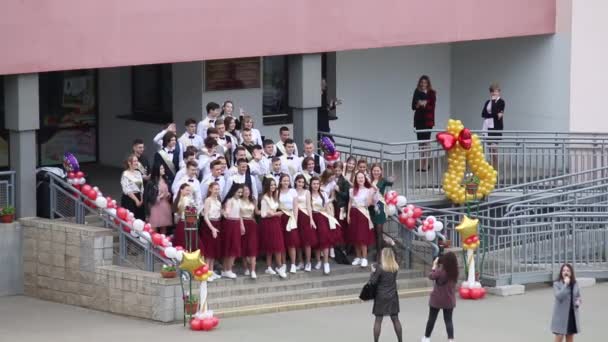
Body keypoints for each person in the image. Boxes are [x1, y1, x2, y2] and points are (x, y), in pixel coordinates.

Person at [422, 252, 459, 342]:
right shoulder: (455, 272)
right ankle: (450, 339)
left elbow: (431, 276)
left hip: (437, 299)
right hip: (449, 300)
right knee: (448, 320)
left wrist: (434, 266)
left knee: (431, 319)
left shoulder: (440, 270)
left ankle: (427, 338)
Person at [370, 248, 403, 342]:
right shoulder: (395, 267)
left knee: (378, 320)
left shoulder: (380, 268)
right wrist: (393, 244)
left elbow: (373, 282)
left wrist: (372, 272)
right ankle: (400, 340)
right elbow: (400, 255)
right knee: (395, 319)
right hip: (392, 295)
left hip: (381, 296)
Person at [260, 178, 287, 278]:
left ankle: (270, 266)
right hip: (268, 224)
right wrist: (275, 214)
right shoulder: (264, 198)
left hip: (276, 223)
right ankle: (278, 266)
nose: (273, 187)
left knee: (277, 245)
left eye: (274, 185)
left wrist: (275, 214)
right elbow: (263, 214)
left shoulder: (274, 197)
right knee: (273, 245)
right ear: (267, 186)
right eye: (271, 185)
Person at [310, 177, 338, 274]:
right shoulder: (308, 195)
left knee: (324, 240)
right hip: (313, 217)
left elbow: (326, 207)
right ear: (311, 184)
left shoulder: (323, 194)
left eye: (317, 184)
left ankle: (326, 262)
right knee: (315, 240)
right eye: (314, 183)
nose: (315, 185)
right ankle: (318, 260)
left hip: (322, 218)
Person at [348, 171, 376, 267]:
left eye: (362, 177)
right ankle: (358, 257)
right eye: (358, 178)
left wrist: (371, 193)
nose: (360, 179)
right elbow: (350, 203)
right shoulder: (352, 190)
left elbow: (368, 204)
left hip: (363, 214)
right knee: (355, 237)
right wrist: (348, 215)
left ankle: (364, 258)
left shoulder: (368, 190)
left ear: (365, 179)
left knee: (362, 237)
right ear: (356, 179)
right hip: (353, 213)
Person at [411, 75, 436, 172]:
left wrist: (424, 104)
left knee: (426, 142)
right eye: (421, 82)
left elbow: (432, 106)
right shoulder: (417, 91)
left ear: (428, 83)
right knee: (420, 143)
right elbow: (413, 106)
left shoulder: (432, 93)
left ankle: (426, 164)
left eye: (425, 82)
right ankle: (421, 164)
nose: (423, 84)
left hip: (428, 120)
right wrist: (419, 104)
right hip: (419, 120)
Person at [370, 164, 394, 260]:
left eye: (378, 170)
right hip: (371, 206)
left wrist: (392, 179)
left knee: (379, 230)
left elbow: (390, 182)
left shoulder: (383, 180)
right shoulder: (369, 180)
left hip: (380, 206)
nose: (376, 172)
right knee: (374, 231)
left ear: (381, 171)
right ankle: (386, 244)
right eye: (374, 170)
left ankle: (379, 253)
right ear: (371, 171)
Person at [551, 263, 581, 342]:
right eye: (564, 270)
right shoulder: (556, 284)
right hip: (561, 316)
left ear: (571, 273)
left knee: (570, 337)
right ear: (561, 273)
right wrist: (565, 284)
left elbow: (578, 295)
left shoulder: (575, 283)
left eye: (568, 270)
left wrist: (578, 301)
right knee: (559, 337)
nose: (566, 272)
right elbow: (559, 296)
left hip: (572, 315)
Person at [278, 174, 301, 274]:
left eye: (287, 180)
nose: (286, 182)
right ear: (280, 181)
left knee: (291, 242)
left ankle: (293, 264)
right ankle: (283, 264)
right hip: (281, 217)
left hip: (291, 217)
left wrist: (295, 219)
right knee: (282, 242)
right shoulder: (277, 192)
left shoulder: (293, 191)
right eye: (284, 180)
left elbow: (295, 206)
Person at [294, 174, 317, 272]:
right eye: (299, 181)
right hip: (295, 216)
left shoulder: (307, 192)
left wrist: (311, 219)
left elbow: (309, 206)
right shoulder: (292, 191)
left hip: (305, 217)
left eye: (303, 182)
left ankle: (308, 262)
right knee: (297, 241)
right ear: (295, 182)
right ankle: (300, 262)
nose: (301, 184)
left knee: (307, 241)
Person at [221, 184, 244, 279]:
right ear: (233, 191)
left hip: (236, 223)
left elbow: (239, 214)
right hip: (230, 224)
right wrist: (224, 211)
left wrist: (242, 225)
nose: (240, 194)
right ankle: (227, 269)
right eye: (238, 192)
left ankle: (228, 269)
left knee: (234, 247)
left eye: (241, 192)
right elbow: (227, 213)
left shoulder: (239, 201)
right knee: (229, 247)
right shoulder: (230, 201)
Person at [200, 182, 222, 281]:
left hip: (217, 223)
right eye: (215, 189)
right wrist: (212, 228)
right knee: (208, 251)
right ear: (210, 189)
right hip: (209, 225)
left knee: (213, 250)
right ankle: (206, 271)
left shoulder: (218, 201)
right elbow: (205, 216)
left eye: (218, 189)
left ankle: (211, 271)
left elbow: (219, 214)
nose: (217, 191)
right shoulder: (208, 200)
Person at [481, 82, 506, 168]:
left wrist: (494, 102)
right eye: (492, 91)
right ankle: (491, 168)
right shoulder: (488, 102)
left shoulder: (501, 102)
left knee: (494, 149)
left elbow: (498, 116)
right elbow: (483, 114)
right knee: (489, 149)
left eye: (495, 91)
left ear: (499, 92)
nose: (493, 93)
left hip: (496, 127)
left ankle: (496, 169)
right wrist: (493, 114)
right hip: (487, 127)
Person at [144, 164, 173, 235]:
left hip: (165, 206)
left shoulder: (165, 180)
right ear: (157, 170)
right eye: (161, 169)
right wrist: (159, 197)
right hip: (155, 206)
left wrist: (168, 194)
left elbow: (168, 191)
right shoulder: (151, 182)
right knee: (153, 229)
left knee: (164, 229)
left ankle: (162, 243)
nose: (163, 170)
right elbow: (148, 197)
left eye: (163, 168)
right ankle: (153, 245)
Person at [239, 184, 259, 279]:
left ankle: (253, 270)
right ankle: (245, 268)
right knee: (244, 246)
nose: (246, 191)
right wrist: (242, 225)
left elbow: (256, 213)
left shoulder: (253, 201)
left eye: (248, 190)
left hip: (252, 224)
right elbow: (239, 215)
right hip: (243, 223)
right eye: (244, 190)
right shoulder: (238, 201)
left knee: (252, 246)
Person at [172, 183, 198, 250]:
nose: (188, 192)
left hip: (188, 222)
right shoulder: (184, 200)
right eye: (187, 190)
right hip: (185, 223)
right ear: (181, 190)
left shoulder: (187, 199)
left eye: (189, 190)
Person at [120, 154, 145, 220]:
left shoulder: (138, 173)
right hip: (129, 199)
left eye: (137, 161)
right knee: (131, 219)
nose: (137, 163)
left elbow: (141, 188)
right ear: (129, 162)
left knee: (140, 219)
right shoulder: (125, 174)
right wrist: (136, 200)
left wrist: (141, 199)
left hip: (139, 197)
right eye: (135, 161)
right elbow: (127, 189)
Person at [333, 161, 350, 248]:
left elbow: (346, 195)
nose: (337, 172)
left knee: (341, 225)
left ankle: (342, 246)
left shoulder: (344, 181)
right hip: (332, 206)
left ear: (342, 170)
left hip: (341, 206)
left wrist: (338, 190)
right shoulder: (330, 179)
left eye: (339, 170)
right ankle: (335, 245)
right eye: (335, 170)